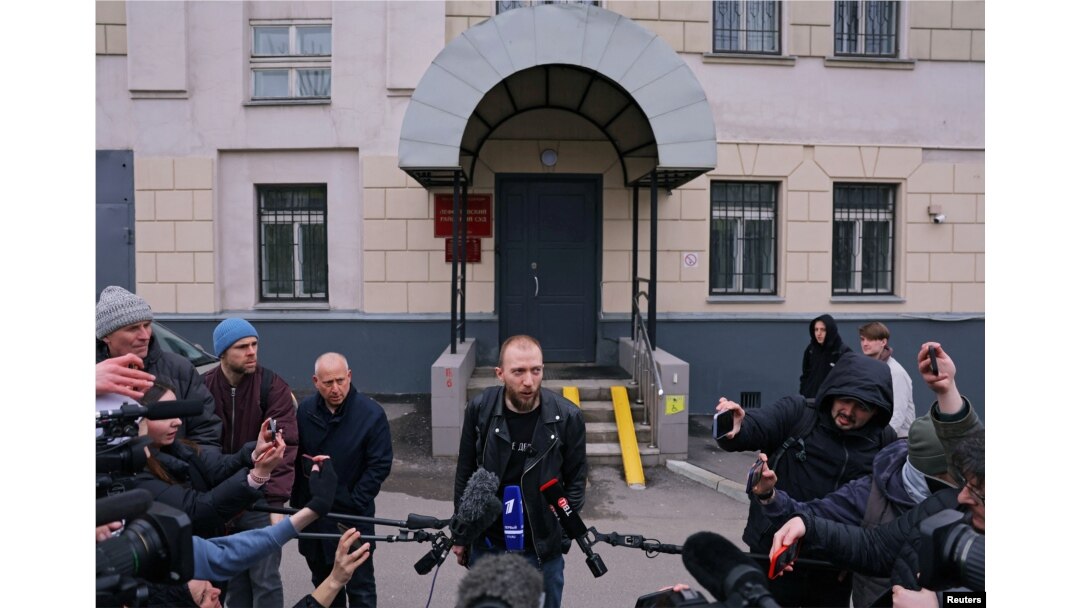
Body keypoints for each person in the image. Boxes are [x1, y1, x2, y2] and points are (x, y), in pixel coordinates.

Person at [770, 342, 984, 607]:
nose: (962, 496)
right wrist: (807, 524)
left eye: (976, 492)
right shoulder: (942, 504)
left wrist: (941, 603)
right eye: (965, 484)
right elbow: (876, 547)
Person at [716, 351, 896, 607]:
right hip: (772, 554)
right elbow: (757, 425)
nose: (849, 411)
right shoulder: (799, 413)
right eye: (845, 400)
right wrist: (736, 427)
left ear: (877, 410)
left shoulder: (884, 441)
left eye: (862, 407)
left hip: (833, 568)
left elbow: (885, 510)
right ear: (833, 392)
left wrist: (859, 558)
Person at [749, 415, 954, 607]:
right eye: (959, 470)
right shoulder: (870, 494)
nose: (966, 484)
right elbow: (873, 546)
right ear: (937, 472)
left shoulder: (966, 502)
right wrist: (776, 501)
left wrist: (941, 602)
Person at [451, 335, 588, 608]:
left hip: (540, 551)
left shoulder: (568, 417)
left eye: (536, 370)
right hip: (489, 545)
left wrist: (558, 538)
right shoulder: (481, 409)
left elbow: (575, 482)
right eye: (518, 372)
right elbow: (466, 473)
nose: (529, 381)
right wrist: (462, 534)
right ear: (500, 373)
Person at [202, 317, 298, 608]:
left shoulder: (272, 386)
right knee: (231, 582)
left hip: (260, 499)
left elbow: (285, 447)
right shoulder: (203, 388)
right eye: (242, 346)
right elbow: (196, 446)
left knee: (265, 579)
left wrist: (276, 503)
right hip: (220, 498)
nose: (252, 351)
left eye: (254, 344)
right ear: (222, 352)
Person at [291, 352, 393, 607]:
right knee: (324, 588)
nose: (335, 388)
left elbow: (379, 465)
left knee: (361, 590)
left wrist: (355, 500)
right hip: (315, 518)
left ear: (349, 376)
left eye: (340, 380)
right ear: (315, 382)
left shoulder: (371, 414)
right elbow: (295, 459)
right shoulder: (305, 411)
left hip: (353, 519)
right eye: (328, 383)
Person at [131, 382, 287, 539]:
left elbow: (218, 469)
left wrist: (255, 453)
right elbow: (196, 510)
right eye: (165, 415)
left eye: (176, 411)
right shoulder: (135, 472)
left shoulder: (181, 448)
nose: (177, 421)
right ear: (138, 422)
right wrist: (256, 476)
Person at [96, 285, 222, 448]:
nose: (145, 336)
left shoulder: (180, 369)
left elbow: (206, 433)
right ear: (106, 336)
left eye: (147, 325)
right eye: (133, 328)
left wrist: (183, 462)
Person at [858, 321, 916, 437]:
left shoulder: (896, 372)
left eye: (870, 339)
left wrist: (881, 439)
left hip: (899, 439)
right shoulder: (867, 369)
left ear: (883, 342)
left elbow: (897, 414)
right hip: (876, 436)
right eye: (863, 339)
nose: (865, 343)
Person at [799, 313, 853, 399]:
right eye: (816, 329)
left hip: (831, 402)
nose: (819, 333)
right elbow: (805, 375)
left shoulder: (842, 351)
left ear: (830, 330)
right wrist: (804, 392)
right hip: (810, 400)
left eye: (823, 330)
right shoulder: (811, 350)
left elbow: (848, 380)